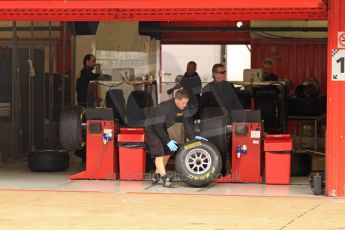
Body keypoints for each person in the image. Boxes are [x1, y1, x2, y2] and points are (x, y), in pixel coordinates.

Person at [145, 89, 207, 188]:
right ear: (176, 100)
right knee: (159, 154)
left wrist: (194, 137)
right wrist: (168, 141)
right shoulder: (164, 107)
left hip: (164, 129)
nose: (185, 105)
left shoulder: (182, 107)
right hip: (152, 128)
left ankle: (156, 176)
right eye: (183, 103)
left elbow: (187, 124)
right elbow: (158, 127)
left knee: (167, 153)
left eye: (186, 102)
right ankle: (164, 179)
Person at [198, 63, 243, 176]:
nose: (224, 74)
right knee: (218, 148)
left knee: (233, 146)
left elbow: (236, 103)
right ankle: (219, 172)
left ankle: (235, 171)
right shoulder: (208, 88)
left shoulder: (229, 86)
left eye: (224, 72)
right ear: (214, 74)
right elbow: (202, 106)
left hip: (230, 121)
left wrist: (240, 118)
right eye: (221, 72)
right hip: (214, 124)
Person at [75, 54, 100, 162]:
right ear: (87, 62)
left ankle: (85, 152)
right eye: (93, 61)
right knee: (88, 130)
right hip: (86, 106)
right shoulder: (87, 76)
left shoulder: (86, 75)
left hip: (85, 105)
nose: (95, 63)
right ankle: (84, 151)